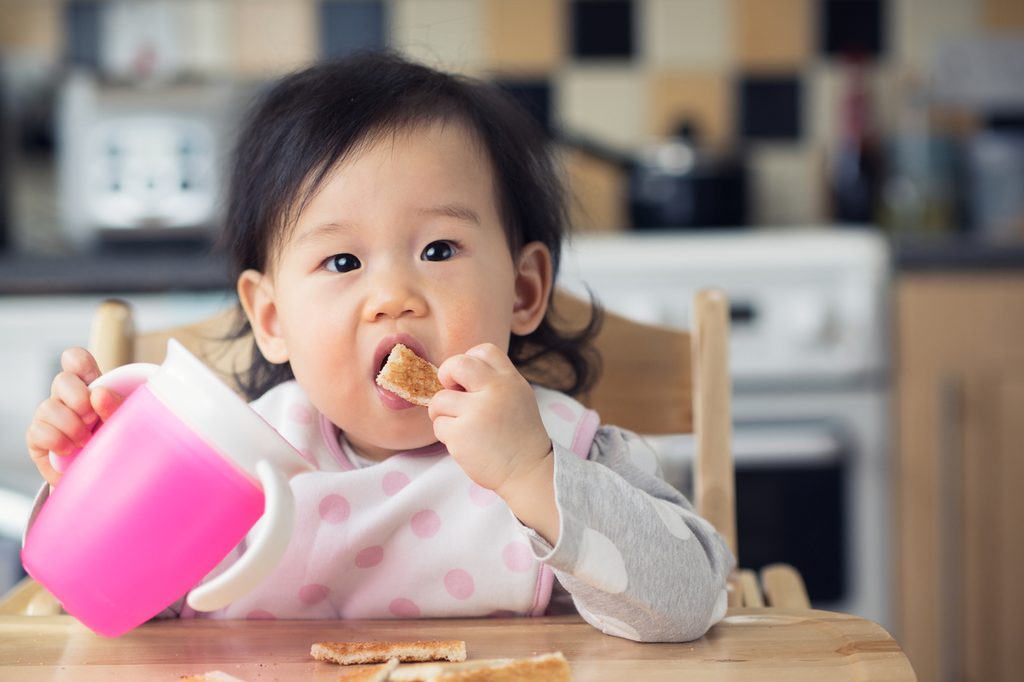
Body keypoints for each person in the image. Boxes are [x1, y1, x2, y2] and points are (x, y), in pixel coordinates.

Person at [25, 51, 734, 642]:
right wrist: (98, 485)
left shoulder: (567, 453)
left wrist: (531, 474)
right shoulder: (229, 471)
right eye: (342, 263)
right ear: (271, 317)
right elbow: (110, 608)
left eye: (438, 248)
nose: (393, 296)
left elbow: (692, 603)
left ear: (522, 292)